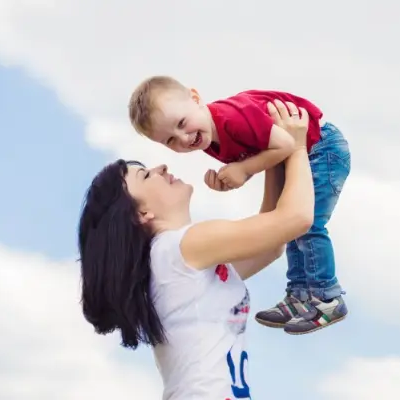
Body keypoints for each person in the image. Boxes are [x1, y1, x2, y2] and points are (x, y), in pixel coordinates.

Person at [77, 101, 313, 400]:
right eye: (146, 175)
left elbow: (271, 244)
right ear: (141, 213)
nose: (161, 167)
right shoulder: (183, 247)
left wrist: (272, 154)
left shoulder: (173, 261)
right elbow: (296, 219)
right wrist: (297, 147)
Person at [127, 76, 351, 334]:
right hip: (301, 153)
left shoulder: (230, 118)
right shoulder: (208, 137)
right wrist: (233, 177)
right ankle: (300, 294)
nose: (183, 138)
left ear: (196, 99)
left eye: (181, 123)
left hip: (321, 148)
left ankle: (327, 296)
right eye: (170, 140)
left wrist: (244, 170)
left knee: (306, 225)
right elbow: (263, 150)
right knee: (287, 227)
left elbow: (288, 144)